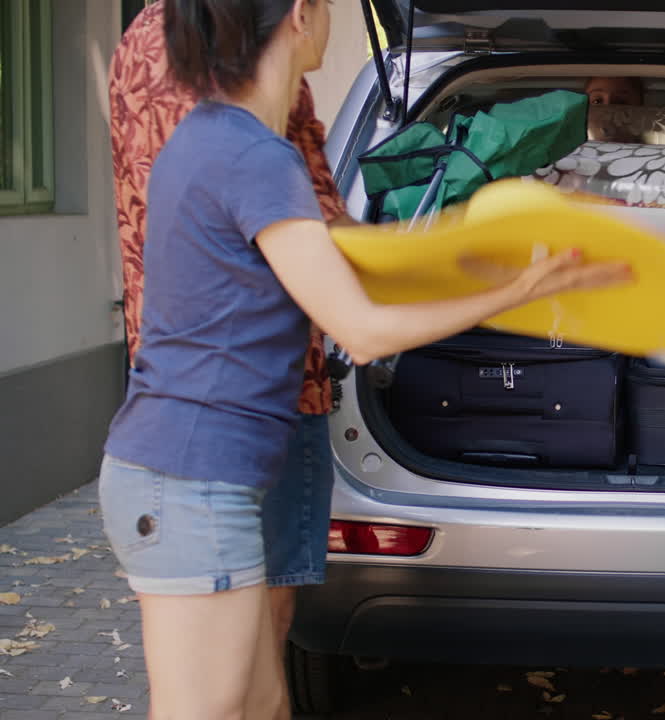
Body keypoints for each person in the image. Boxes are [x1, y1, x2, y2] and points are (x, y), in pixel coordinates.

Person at [99, 2, 629, 718]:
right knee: (213, 708)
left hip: (198, 470)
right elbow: (363, 328)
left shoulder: (220, 139)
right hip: (189, 476)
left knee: (262, 701)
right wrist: (521, 289)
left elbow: (350, 261)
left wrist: (481, 255)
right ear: (300, 16)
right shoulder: (255, 159)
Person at [108, 0, 349, 675]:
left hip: (169, 382)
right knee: (252, 648)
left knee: (231, 671)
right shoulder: (250, 88)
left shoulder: (147, 40)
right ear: (300, 16)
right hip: (265, 390)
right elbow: (324, 232)